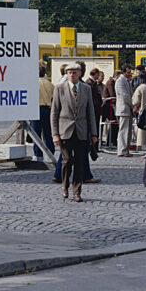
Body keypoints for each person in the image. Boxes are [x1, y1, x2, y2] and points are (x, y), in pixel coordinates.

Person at [51, 63, 98, 202]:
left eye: (74, 72)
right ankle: (65, 185)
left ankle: (77, 191)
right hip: (65, 130)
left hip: (81, 131)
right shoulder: (59, 88)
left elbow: (91, 112)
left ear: (80, 73)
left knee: (79, 162)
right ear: (66, 74)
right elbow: (54, 113)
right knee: (67, 160)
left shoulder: (86, 89)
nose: (72, 74)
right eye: (69, 72)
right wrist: (55, 134)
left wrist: (94, 134)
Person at [31, 65, 55, 161]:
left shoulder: (32, 83)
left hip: (36, 109)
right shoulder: (50, 84)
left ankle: (38, 155)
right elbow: (53, 98)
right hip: (48, 109)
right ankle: (50, 154)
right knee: (48, 133)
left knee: (36, 134)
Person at [132, 71, 146, 153]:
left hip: (143, 111)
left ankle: (142, 146)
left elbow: (135, 101)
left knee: (142, 130)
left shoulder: (140, 88)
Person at [115, 64, 133, 157]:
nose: (130, 74)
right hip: (124, 108)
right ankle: (122, 150)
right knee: (124, 130)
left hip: (126, 109)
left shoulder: (125, 80)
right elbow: (125, 96)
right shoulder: (120, 81)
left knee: (127, 130)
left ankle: (125, 149)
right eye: (128, 72)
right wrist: (132, 104)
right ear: (123, 72)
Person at [85, 68, 103, 138]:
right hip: (94, 107)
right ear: (95, 74)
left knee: (96, 125)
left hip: (96, 107)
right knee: (93, 126)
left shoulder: (93, 83)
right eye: (98, 74)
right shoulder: (89, 83)